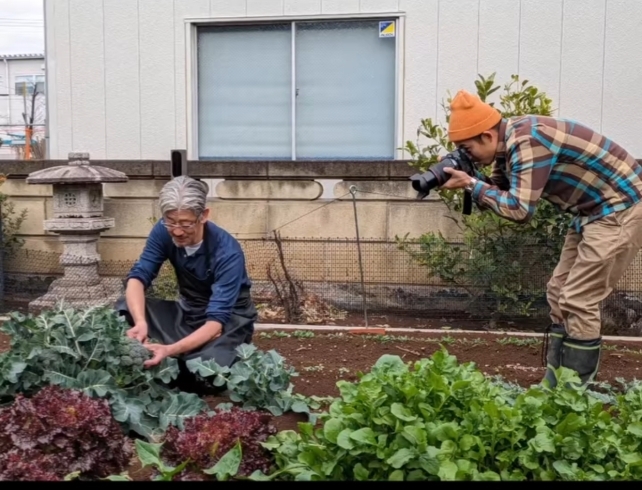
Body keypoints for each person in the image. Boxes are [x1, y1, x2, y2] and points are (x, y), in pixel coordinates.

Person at [438, 89, 642, 388]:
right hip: (589, 212)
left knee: (579, 299)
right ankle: (555, 383)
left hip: (621, 208)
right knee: (559, 292)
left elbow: (519, 210)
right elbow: (499, 194)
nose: (467, 155)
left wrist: (471, 183)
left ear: (487, 136)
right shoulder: (506, 148)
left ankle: (573, 393)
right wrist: (468, 181)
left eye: (467, 149)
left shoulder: (528, 140)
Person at [114, 176, 257, 391]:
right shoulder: (162, 231)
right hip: (188, 312)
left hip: (229, 320)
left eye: (186, 223)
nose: (177, 231)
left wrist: (169, 350)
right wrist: (141, 322)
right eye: (171, 221)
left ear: (204, 216)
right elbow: (138, 277)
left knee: (205, 373)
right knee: (126, 307)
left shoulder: (228, 252)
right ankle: (176, 352)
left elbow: (216, 322)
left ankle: (187, 354)